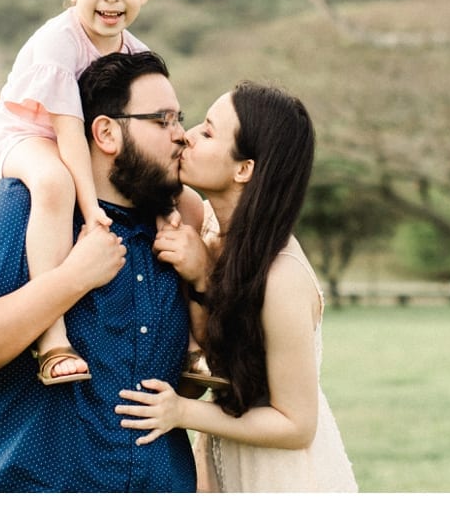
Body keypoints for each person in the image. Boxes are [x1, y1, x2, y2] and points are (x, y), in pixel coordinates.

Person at [0, 50, 199, 492]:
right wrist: (73, 278)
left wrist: (203, 277)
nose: (182, 136)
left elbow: (184, 386)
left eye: (180, 119)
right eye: (162, 121)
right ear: (106, 132)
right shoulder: (21, 207)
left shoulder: (173, 236)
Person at [117, 82, 359, 492]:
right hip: (229, 458)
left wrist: (181, 412)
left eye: (208, 132)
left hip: (284, 479)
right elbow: (222, 350)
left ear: (244, 169)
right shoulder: (213, 233)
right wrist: (199, 277)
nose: (186, 135)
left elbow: (295, 424)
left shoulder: (281, 277)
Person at [0, 0, 158, 385]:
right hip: (24, 137)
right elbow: (69, 134)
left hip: (80, 145)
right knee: (54, 182)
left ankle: (195, 347)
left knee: (176, 202)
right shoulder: (59, 44)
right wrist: (91, 209)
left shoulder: (137, 54)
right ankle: (52, 341)